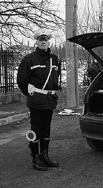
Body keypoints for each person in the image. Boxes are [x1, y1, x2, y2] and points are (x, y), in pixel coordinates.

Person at [17, 29, 61, 171]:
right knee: (36, 128)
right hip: (36, 100)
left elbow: (56, 77)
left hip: (49, 99)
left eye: (46, 40)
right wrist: (31, 93)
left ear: (49, 42)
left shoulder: (54, 59)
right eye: (41, 40)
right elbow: (22, 81)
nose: (43, 42)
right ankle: (35, 158)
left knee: (46, 128)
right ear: (36, 42)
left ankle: (44, 156)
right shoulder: (29, 59)